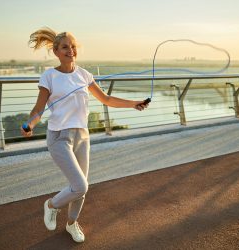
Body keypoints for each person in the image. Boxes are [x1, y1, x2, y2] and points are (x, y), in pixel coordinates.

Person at [21, 27, 148, 243]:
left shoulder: (84, 74)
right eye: (65, 47)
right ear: (56, 51)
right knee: (80, 185)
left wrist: (133, 104)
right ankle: (51, 205)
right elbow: (39, 109)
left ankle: (71, 224)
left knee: (81, 188)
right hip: (59, 137)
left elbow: (106, 99)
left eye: (73, 46)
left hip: (82, 136)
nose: (70, 50)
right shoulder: (49, 76)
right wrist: (31, 124)